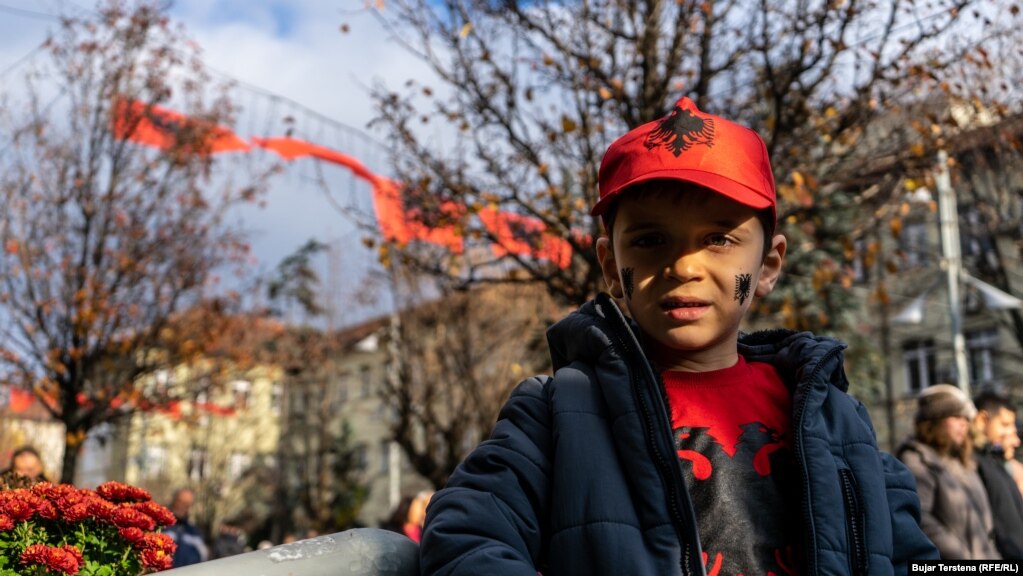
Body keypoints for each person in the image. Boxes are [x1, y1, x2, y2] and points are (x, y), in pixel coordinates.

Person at [419, 96, 937, 575]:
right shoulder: (554, 416)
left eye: (719, 238)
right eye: (649, 240)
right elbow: (464, 539)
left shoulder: (837, 421)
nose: (683, 265)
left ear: (768, 264)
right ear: (609, 264)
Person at [896, 384, 999, 560]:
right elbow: (920, 519)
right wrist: (961, 556)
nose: (964, 423)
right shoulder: (916, 460)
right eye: (957, 416)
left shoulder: (962, 461)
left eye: (966, 418)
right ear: (934, 419)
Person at [971, 390, 1023, 559]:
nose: (1014, 438)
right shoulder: (975, 464)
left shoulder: (996, 463)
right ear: (982, 420)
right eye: (1005, 425)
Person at [164, 487, 209, 567]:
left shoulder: (195, 533)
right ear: (173, 501)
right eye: (180, 502)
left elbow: (203, 558)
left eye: (187, 504)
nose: (183, 506)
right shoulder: (160, 526)